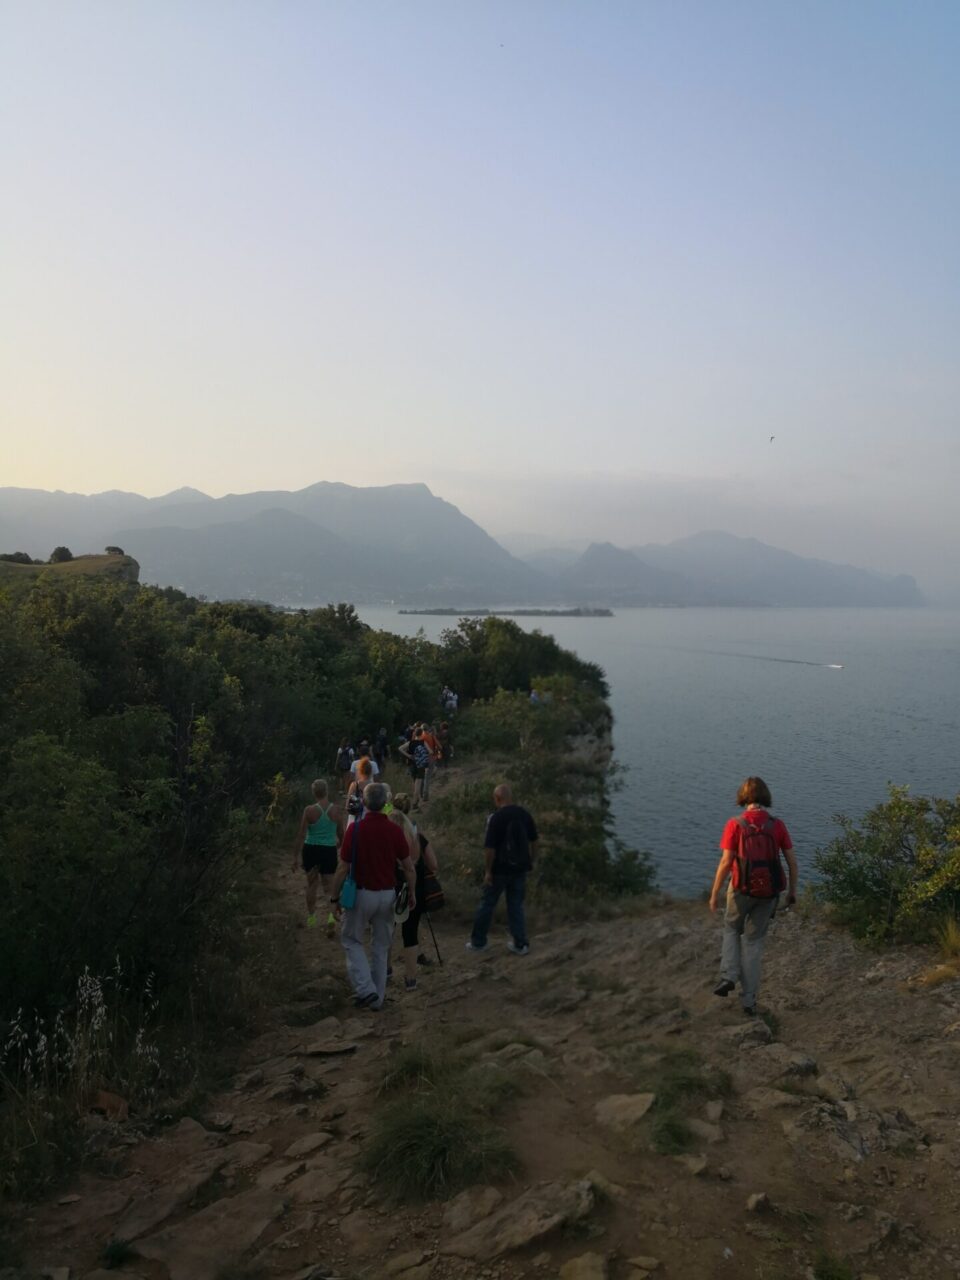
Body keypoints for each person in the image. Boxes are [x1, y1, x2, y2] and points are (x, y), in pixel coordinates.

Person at [709, 776, 798, 1017]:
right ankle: (749, 1001)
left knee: (731, 929)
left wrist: (715, 893)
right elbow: (792, 862)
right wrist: (792, 892)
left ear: (743, 796)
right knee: (753, 943)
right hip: (769, 893)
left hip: (741, 890)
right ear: (765, 796)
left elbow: (726, 862)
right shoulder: (777, 825)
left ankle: (728, 976)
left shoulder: (735, 824)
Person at [331, 782, 417, 1010]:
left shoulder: (355, 830)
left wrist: (334, 897)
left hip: (361, 894)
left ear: (364, 802)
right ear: (385, 802)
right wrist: (411, 892)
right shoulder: (394, 830)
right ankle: (377, 999)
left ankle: (365, 988)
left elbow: (342, 867)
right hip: (387, 895)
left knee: (352, 940)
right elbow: (409, 868)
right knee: (380, 947)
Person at [466, 783, 537, 956]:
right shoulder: (524, 814)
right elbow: (534, 840)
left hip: (499, 869)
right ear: (510, 797)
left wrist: (488, 871)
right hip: (519, 869)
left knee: (487, 904)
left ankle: (478, 943)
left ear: (497, 799)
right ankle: (520, 944)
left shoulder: (496, 818)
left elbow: (490, 848)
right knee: (516, 906)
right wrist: (531, 861)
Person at [389, 793, 440, 990]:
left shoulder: (388, 838)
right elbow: (434, 865)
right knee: (410, 934)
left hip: (392, 888)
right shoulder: (418, 837)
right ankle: (411, 980)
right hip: (415, 890)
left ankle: (386, 971)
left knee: (387, 931)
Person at [291, 779, 344, 934]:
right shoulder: (336, 810)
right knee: (329, 888)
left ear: (314, 793)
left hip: (311, 850)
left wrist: (295, 857)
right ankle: (330, 918)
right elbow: (341, 832)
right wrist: (340, 844)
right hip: (328, 850)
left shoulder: (309, 810)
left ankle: (312, 917)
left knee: (312, 885)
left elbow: (301, 835)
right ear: (326, 791)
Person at [398, 729, 430, 810]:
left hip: (412, 764)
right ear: (422, 734)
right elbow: (430, 751)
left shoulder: (410, 743)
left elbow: (400, 748)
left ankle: (416, 799)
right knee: (418, 785)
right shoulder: (423, 742)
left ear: (415, 734)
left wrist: (408, 755)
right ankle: (414, 803)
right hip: (420, 765)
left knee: (415, 782)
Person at [346, 756, 377, 822]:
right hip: (370, 819)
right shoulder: (375, 787)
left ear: (360, 771)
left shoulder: (354, 785)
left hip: (355, 819)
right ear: (371, 771)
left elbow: (347, 805)